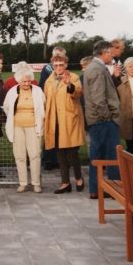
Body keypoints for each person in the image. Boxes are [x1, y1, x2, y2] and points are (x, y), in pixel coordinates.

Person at [83, 40, 121, 200]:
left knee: (98, 154)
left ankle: (96, 189)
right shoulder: (97, 69)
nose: (112, 56)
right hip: (102, 120)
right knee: (109, 155)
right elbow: (99, 99)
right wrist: (108, 117)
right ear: (104, 53)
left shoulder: (94, 67)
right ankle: (113, 188)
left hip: (98, 120)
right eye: (111, 53)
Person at [43, 55, 85, 194]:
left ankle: (79, 178)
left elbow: (78, 93)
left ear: (66, 65)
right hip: (55, 120)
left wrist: (69, 85)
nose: (59, 67)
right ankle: (65, 182)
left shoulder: (73, 77)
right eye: (56, 65)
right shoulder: (49, 80)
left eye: (61, 65)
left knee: (72, 152)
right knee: (60, 152)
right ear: (52, 66)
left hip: (69, 119)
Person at [3, 62, 45, 193]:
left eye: (28, 81)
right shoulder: (12, 91)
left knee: (35, 155)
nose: (26, 84)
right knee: (19, 155)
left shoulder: (38, 91)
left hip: (34, 126)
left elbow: (43, 106)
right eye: (24, 81)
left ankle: (36, 183)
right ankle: (23, 183)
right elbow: (6, 107)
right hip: (17, 127)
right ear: (18, 80)